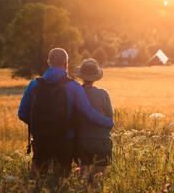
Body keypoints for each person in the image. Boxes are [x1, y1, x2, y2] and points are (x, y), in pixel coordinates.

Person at [18, 48, 114, 183]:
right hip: (65, 140)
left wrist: (41, 125)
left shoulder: (34, 84)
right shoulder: (73, 86)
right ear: (66, 63)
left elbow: (22, 113)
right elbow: (88, 113)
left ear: (48, 62)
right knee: (61, 181)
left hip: (41, 139)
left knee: (38, 179)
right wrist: (108, 122)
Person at [74, 58, 114, 191]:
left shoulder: (76, 93)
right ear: (96, 76)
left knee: (83, 180)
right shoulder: (103, 94)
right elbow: (110, 116)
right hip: (101, 141)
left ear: (81, 76)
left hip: (82, 140)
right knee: (98, 181)